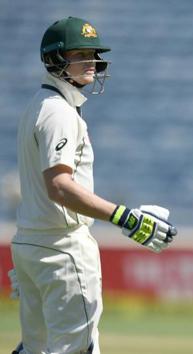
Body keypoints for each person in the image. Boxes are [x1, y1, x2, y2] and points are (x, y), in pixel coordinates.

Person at [10, 17, 177, 354]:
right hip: (62, 248)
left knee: (35, 349)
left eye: (93, 54)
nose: (92, 62)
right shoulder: (58, 112)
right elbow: (59, 186)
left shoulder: (40, 105)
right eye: (80, 54)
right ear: (55, 59)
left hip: (32, 242)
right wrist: (124, 217)